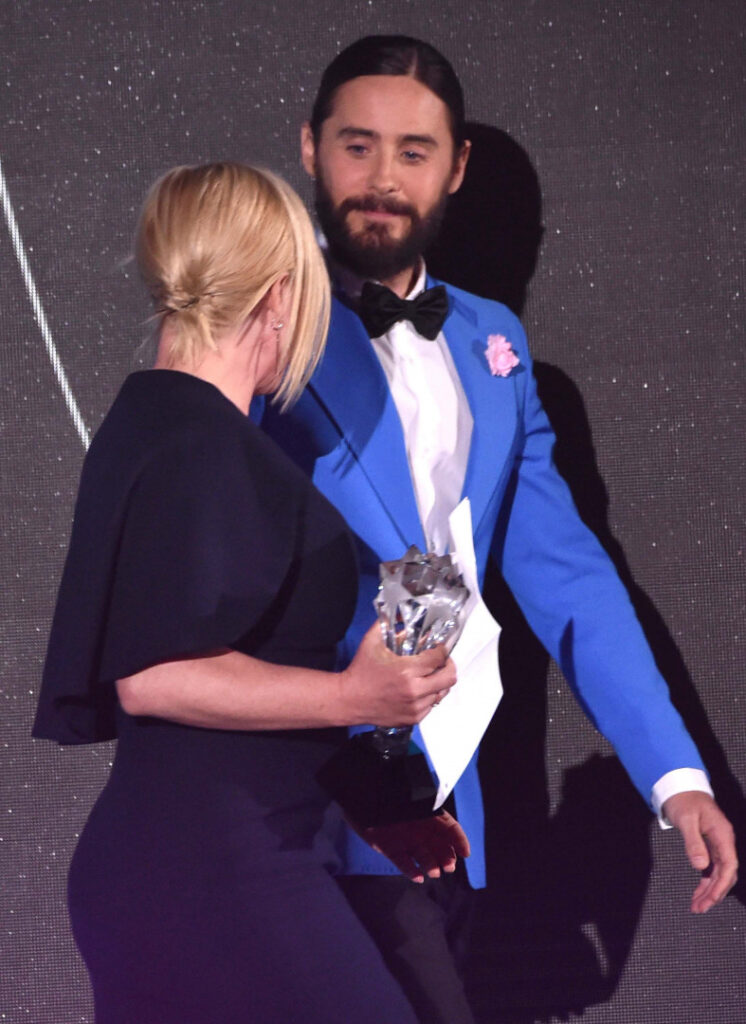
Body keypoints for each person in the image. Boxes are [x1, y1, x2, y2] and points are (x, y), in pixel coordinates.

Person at [259, 36, 739, 1024]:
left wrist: (674, 774)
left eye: (413, 151)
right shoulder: (257, 324)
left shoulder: (493, 345)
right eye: (356, 145)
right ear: (309, 148)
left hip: (444, 811)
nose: (382, 179)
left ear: (455, 167)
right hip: (292, 805)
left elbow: (566, 574)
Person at [32, 161, 467, 1024]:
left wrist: (372, 801)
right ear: (278, 295)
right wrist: (356, 697)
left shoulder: (163, 426)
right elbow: (154, 675)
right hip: (217, 875)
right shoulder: (195, 440)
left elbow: (227, 675)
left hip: (199, 865)